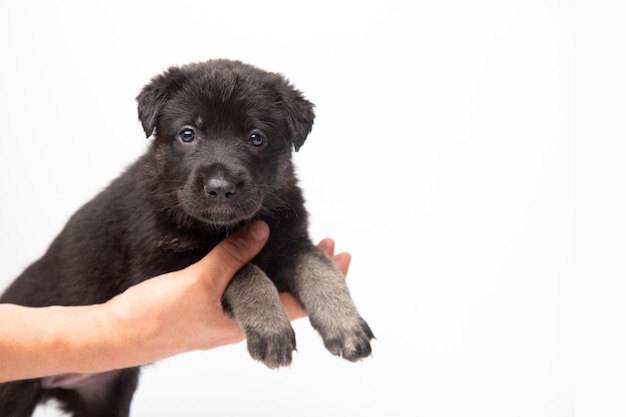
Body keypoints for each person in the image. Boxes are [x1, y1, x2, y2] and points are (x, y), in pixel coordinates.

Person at [0, 221, 351, 383]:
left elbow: (294, 252)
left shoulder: (281, 203)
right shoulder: (158, 205)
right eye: (189, 134)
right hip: (32, 315)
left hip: (111, 373)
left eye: (255, 137)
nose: (219, 178)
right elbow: (181, 274)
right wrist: (253, 296)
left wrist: (336, 309)